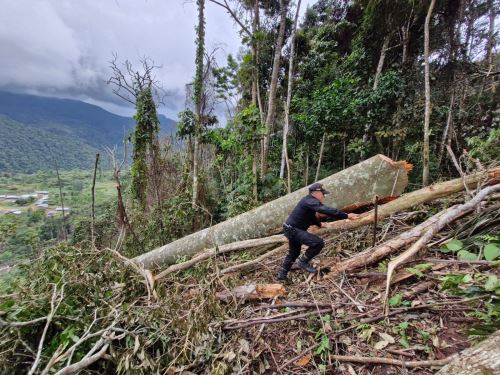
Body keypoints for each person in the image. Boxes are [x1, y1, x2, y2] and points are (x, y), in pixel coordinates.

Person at [277, 182, 360, 281]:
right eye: (323, 193)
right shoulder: (310, 201)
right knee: (318, 243)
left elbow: (310, 216)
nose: (324, 196)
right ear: (315, 192)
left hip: (291, 229)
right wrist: (346, 215)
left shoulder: (309, 201)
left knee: (294, 253)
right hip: (293, 230)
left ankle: (282, 275)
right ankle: (303, 261)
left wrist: (319, 224)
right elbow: (324, 209)